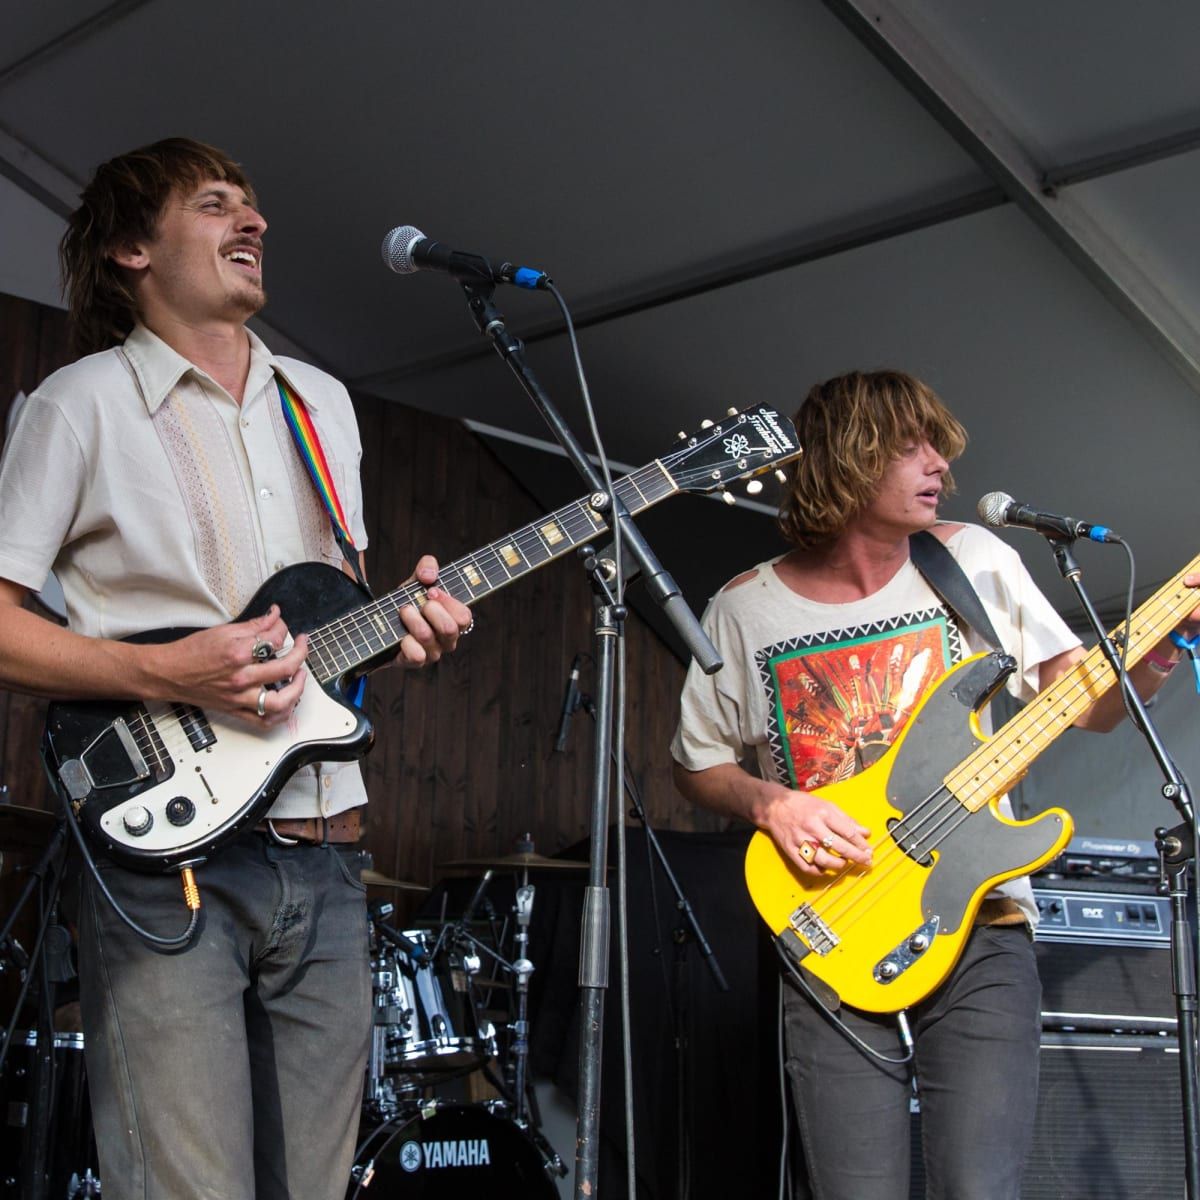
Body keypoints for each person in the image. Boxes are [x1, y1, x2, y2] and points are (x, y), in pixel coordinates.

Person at [0, 138, 472, 1198]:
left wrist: (409, 625)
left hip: (330, 847)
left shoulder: (323, 400)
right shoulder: (81, 403)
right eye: (214, 205)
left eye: (253, 206)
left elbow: (318, 624)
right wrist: (172, 675)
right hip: (168, 867)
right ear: (130, 248)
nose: (253, 222)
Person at [670, 370, 1200, 1199]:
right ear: (850, 459)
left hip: (982, 918)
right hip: (832, 924)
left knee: (977, 1189)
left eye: (938, 448)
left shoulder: (973, 560)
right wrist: (770, 801)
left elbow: (1084, 706)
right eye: (912, 446)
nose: (940, 468)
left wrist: (1162, 646)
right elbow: (697, 762)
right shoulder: (745, 609)